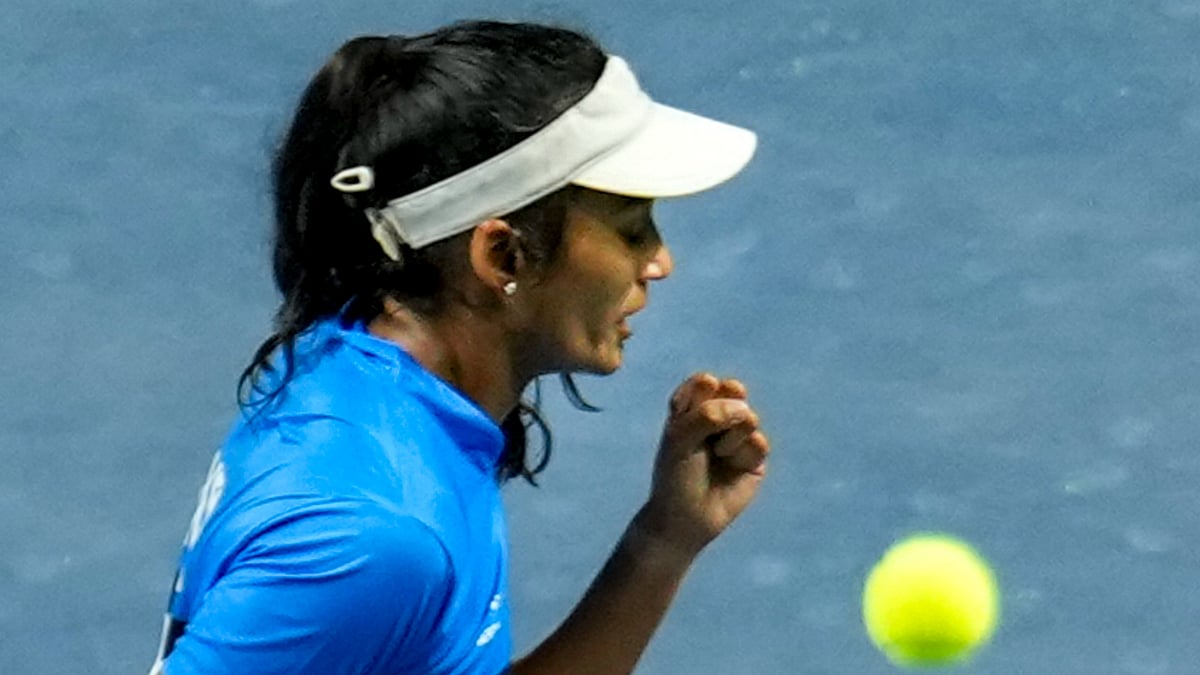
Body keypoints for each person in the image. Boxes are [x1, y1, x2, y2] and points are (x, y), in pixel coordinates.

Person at [150, 19, 770, 675]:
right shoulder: (372, 538)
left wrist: (663, 540)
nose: (659, 262)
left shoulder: (379, 374)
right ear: (502, 254)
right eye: (632, 230)